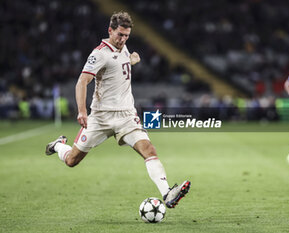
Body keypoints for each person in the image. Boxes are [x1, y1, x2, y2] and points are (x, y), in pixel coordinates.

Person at [45, 12, 190, 208]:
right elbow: (82, 82)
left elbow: (118, 66)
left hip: (126, 115)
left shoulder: (123, 48)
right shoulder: (98, 54)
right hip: (100, 117)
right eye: (120, 35)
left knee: (148, 149)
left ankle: (167, 193)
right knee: (72, 160)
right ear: (110, 31)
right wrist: (81, 111)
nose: (123, 39)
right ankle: (58, 145)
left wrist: (131, 60)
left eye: (127, 36)